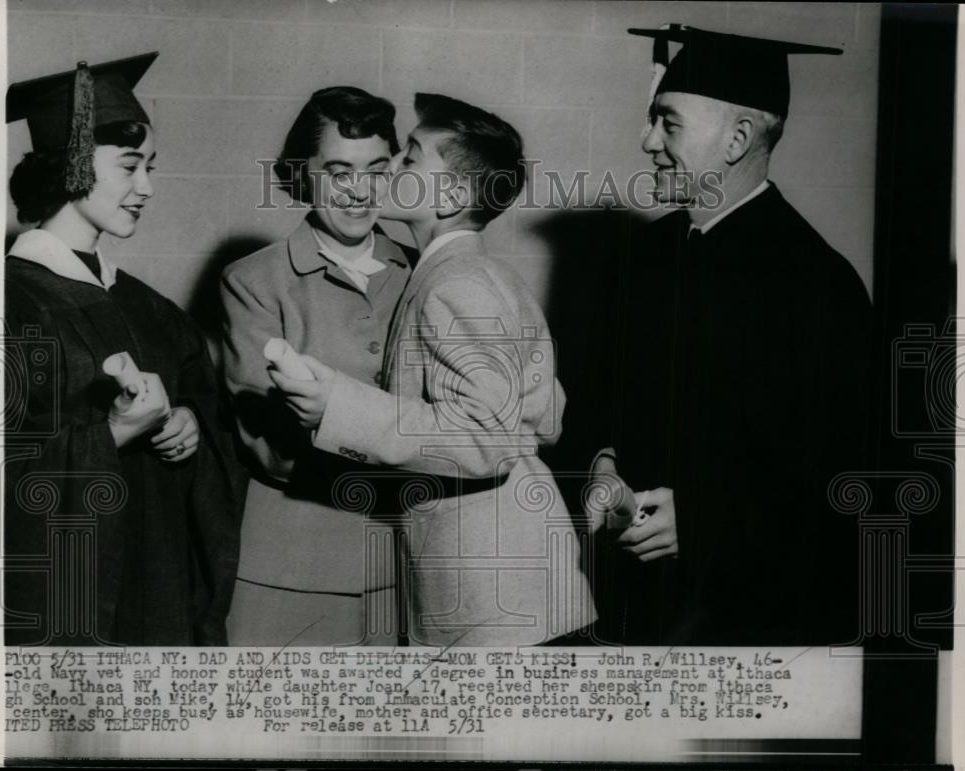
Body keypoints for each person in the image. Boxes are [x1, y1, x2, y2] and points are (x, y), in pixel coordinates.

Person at [265, 93, 597, 646]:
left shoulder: (457, 283)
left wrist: (339, 409)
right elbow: (546, 415)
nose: (390, 166)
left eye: (410, 159)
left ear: (449, 196)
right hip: (514, 592)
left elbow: (487, 438)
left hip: (494, 601)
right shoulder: (476, 273)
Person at [582, 26, 874, 645]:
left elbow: (843, 475)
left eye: (669, 123)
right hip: (633, 599)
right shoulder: (648, 255)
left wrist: (706, 522)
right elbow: (605, 391)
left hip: (747, 611)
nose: (646, 142)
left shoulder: (818, 283)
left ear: (738, 138)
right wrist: (603, 463)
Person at [4, 53, 242, 646]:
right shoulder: (7, 301)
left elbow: (209, 414)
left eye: (150, 167)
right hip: (70, 598)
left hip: (159, 578)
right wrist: (111, 435)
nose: (147, 187)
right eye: (130, 166)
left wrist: (189, 424)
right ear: (71, 165)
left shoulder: (150, 308)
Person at [220, 87, 411, 645]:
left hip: (408, 567)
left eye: (377, 170)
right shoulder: (253, 280)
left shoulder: (422, 271)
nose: (359, 191)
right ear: (302, 174)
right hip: (291, 573)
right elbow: (269, 446)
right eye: (338, 172)